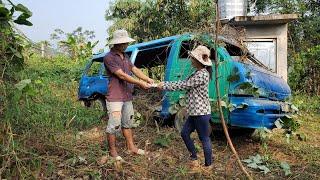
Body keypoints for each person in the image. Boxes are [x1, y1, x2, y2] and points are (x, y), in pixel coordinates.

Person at [158, 45, 213, 169]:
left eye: (193, 58)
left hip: (201, 113)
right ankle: (194, 156)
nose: (191, 60)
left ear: (198, 60)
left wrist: (165, 85)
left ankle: (208, 165)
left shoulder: (202, 74)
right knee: (184, 133)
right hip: (194, 112)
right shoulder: (198, 72)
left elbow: (184, 85)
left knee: (204, 138)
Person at [103, 29, 154, 161]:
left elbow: (134, 69)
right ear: (116, 43)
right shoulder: (109, 57)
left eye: (126, 42)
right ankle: (113, 151)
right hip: (115, 96)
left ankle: (131, 147)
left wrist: (147, 79)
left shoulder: (125, 57)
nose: (125, 45)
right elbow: (121, 75)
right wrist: (140, 83)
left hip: (126, 96)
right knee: (114, 124)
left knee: (128, 123)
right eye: (123, 43)